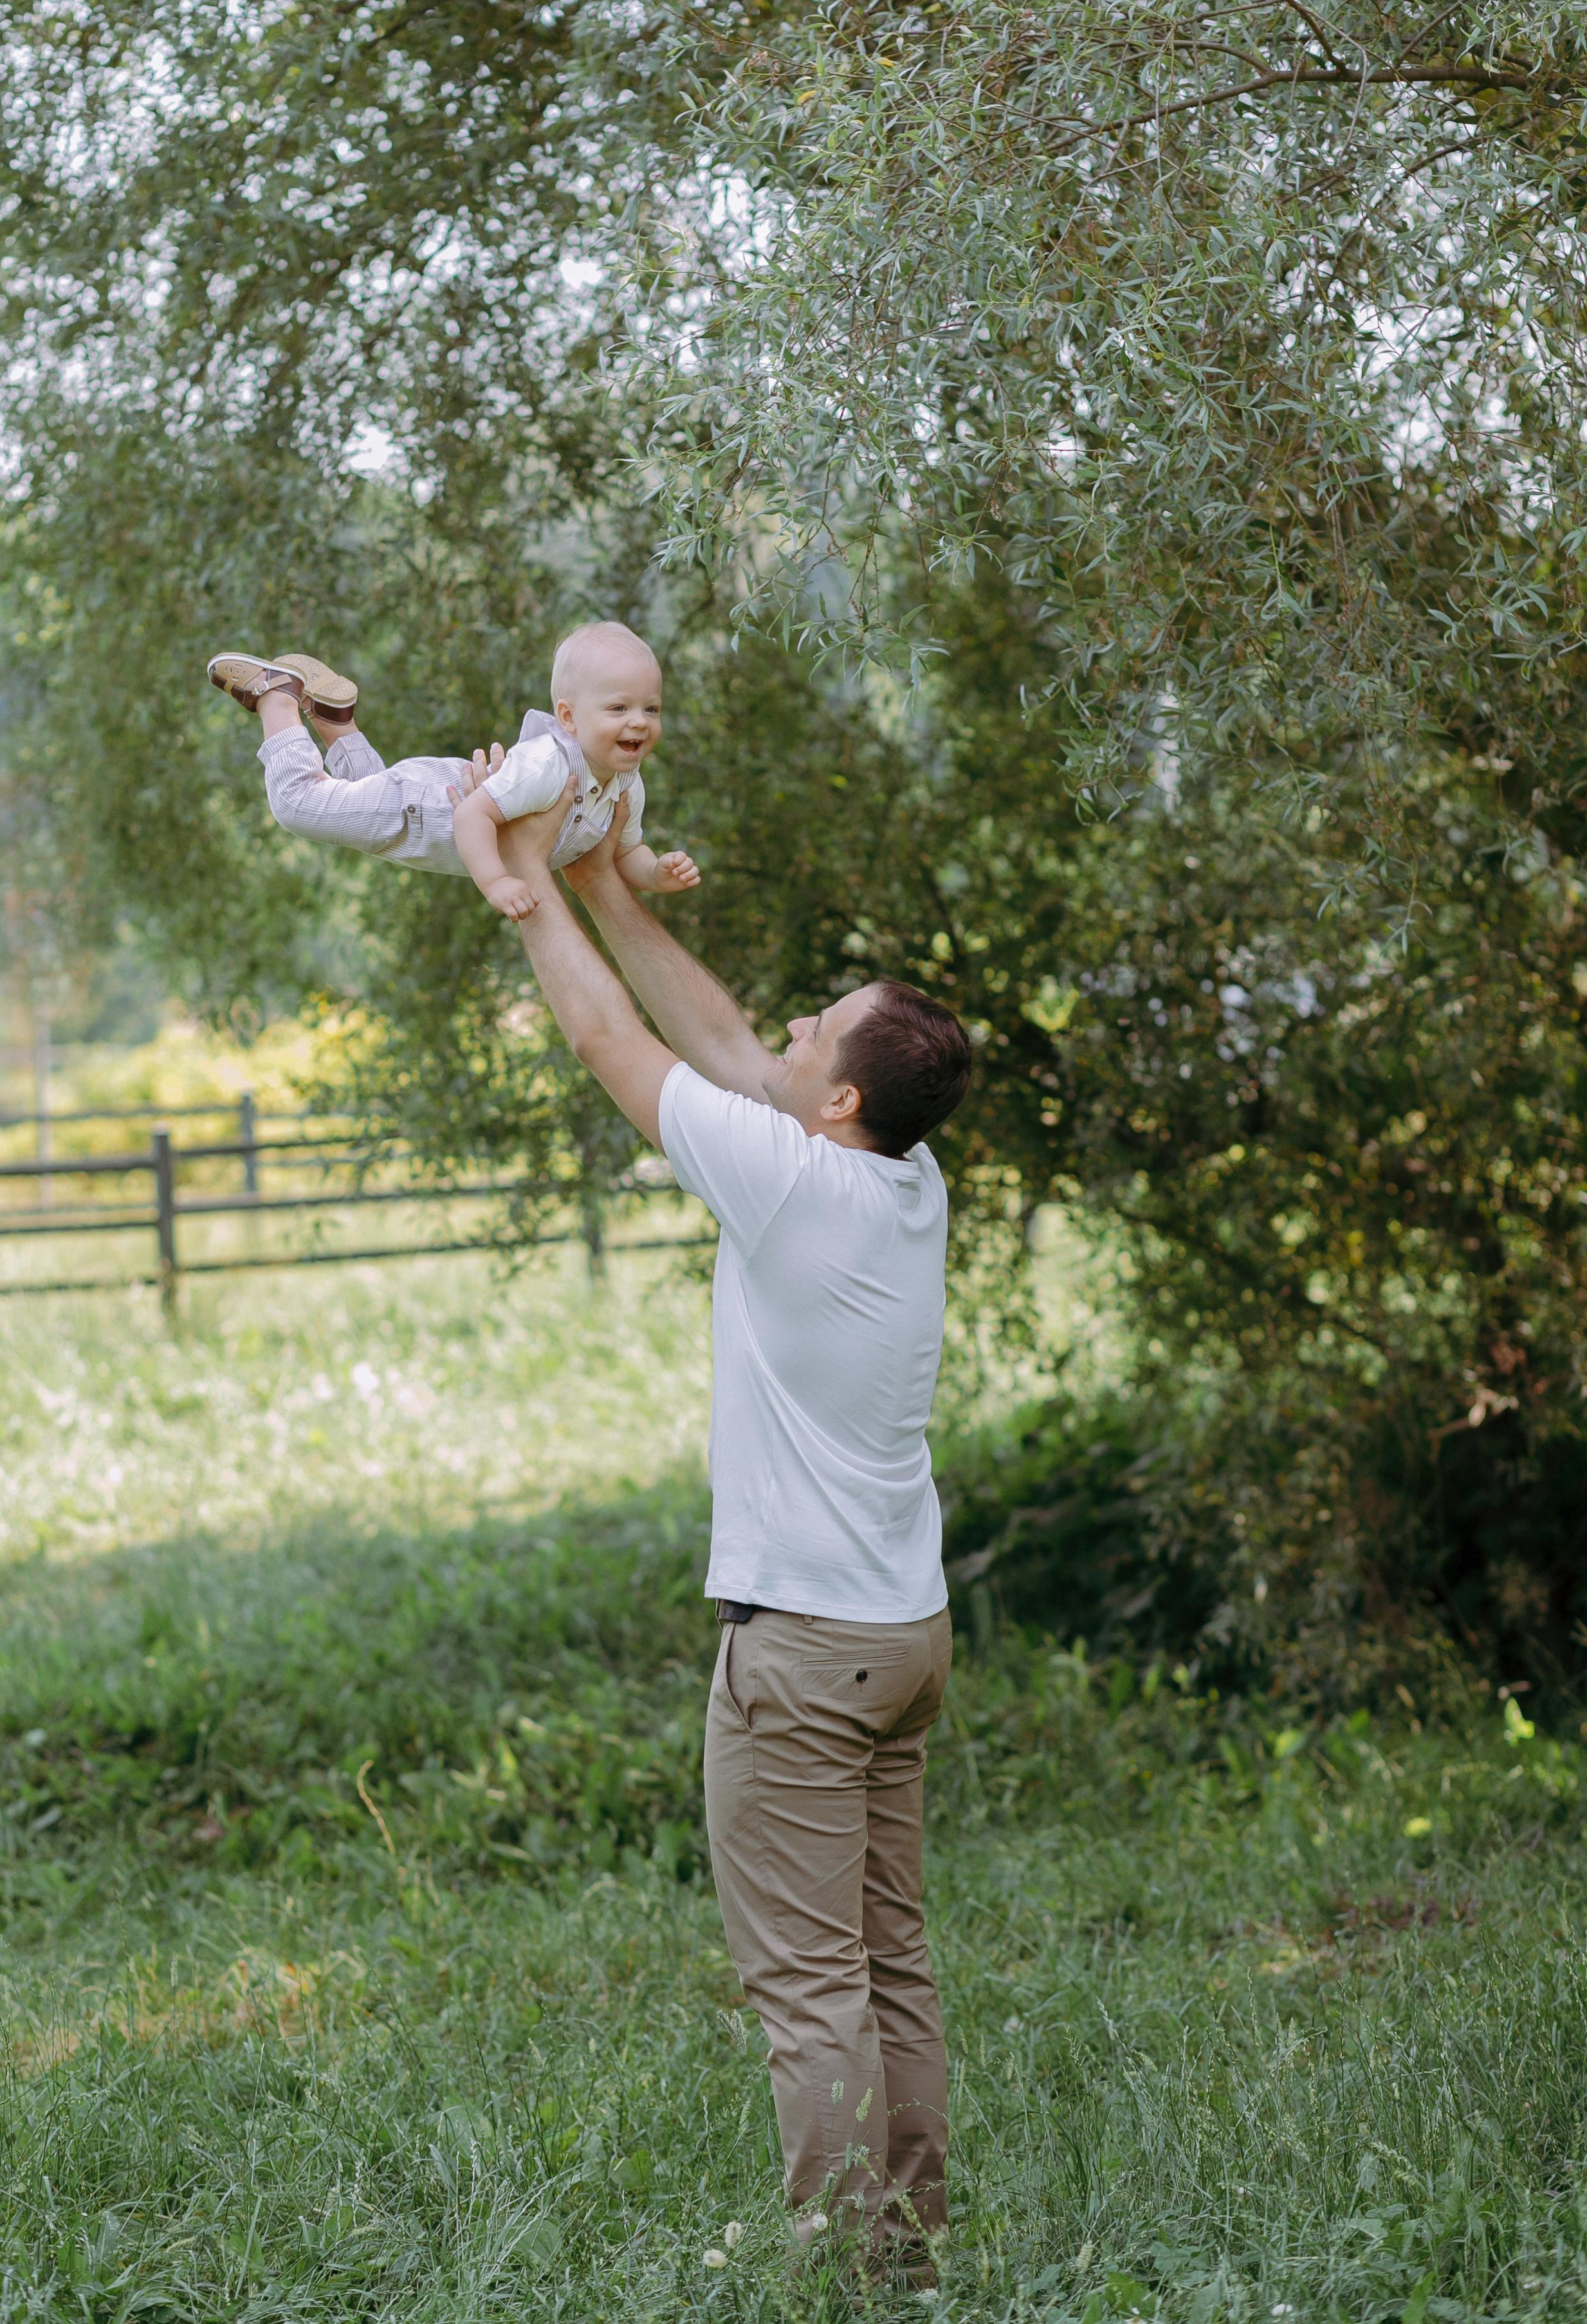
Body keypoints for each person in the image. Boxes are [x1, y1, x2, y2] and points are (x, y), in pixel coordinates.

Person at [469, 765, 973, 2277]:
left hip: (804, 1656)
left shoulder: (782, 1186)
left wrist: (522, 877)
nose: (787, 1029)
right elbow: (734, 1047)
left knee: (810, 1986)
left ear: (833, 1101)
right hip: (902, 1633)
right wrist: (614, 881)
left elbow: (610, 1038)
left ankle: (837, 2274)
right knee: (889, 1963)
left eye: (814, 1026)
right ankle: (912, 2253)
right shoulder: (903, 1171)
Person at [204, 621, 701, 913]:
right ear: (568, 718)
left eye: (651, 709)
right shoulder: (551, 763)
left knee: (366, 802)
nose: (639, 723)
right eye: (619, 709)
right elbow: (471, 817)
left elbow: (626, 849)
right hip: (429, 807)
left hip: (420, 822)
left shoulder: (626, 785)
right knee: (298, 805)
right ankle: (275, 698)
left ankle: (335, 722)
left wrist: (657, 873)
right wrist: (497, 883)